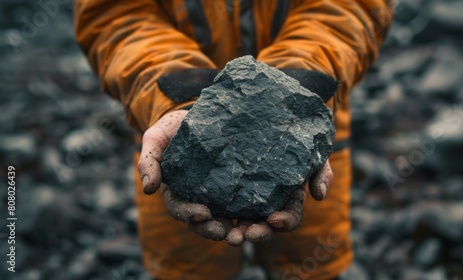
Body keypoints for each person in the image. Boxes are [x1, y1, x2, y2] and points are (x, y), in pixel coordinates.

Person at [75, 0, 393, 279]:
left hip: (308, 135)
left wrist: (299, 81)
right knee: (191, 270)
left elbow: (356, 7)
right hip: (169, 127)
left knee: (310, 264)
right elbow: (114, 14)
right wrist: (177, 91)